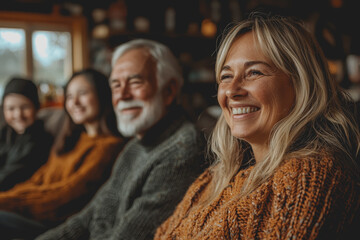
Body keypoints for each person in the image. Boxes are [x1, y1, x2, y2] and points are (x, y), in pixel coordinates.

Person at [155, 13, 360, 240]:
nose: (232, 90)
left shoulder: (312, 176)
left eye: (254, 72)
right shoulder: (217, 177)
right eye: (226, 76)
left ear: (302, 83)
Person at [35, 39, 208, 240]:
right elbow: (87, 217)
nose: (122, 95)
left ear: (169, 91)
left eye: (135, 82)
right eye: (116, 85)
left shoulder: (182, 150)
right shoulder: (135, 146)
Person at [0, 68, 126, 239]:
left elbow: (66, 196)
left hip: (58, 224)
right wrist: (6, 198)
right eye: (69, 96)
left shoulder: (110, 147)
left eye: (82, 93)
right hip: (32, 214)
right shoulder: (70, 140)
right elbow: (38, 179)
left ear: (102, 95)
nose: (75, 102)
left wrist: (6, 202)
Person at [0, 77, 53, 191]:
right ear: (3, 110)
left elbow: (10, 176)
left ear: (37, 107)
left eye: (25, 107)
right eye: (11, 108)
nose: (18, 114)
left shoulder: (41, 140)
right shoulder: (4, 133)